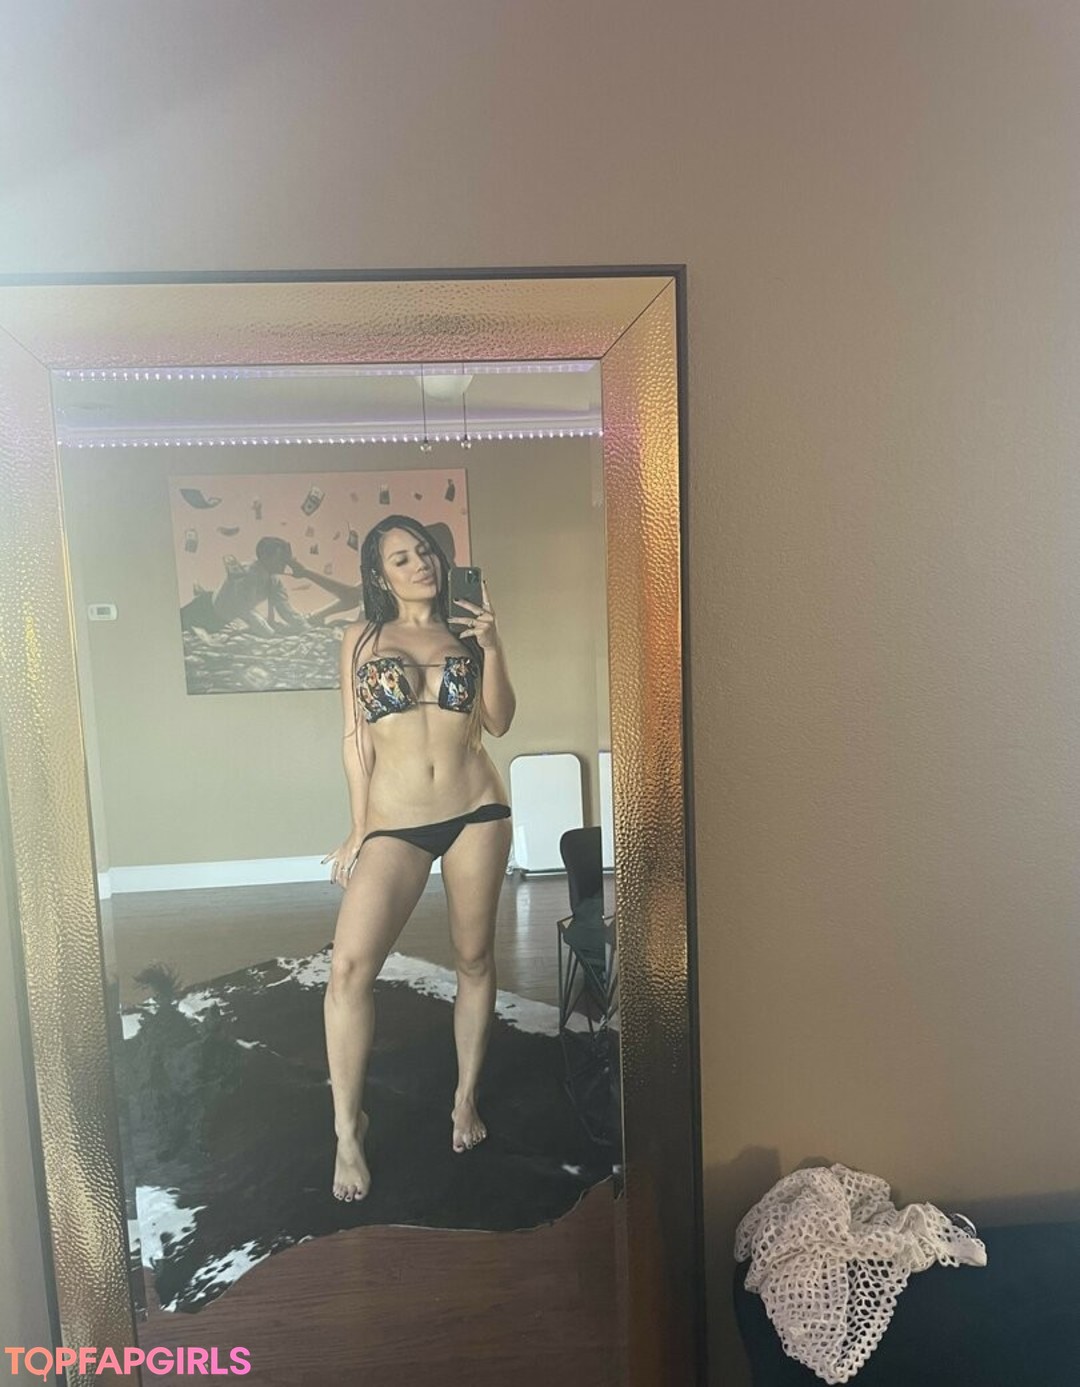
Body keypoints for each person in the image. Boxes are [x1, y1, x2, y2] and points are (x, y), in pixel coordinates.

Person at [321, 514, 516, 1202]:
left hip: (476, 812)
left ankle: (465, 1098)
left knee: (474, 959)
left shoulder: (467, 631)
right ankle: (348, 1129)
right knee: (348, 968)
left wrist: (492, 644)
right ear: (380, 575)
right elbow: (355, 739)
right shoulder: (362, 638)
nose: (418, 563)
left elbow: (500, 721)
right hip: (396, 822)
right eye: (400, 557)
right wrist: (358, 829)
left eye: (424, 551)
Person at [179, 536, 309, 635]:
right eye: (280, 558)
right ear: (265, 556)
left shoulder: (274, 581)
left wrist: (306, 627)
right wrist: (269, 634)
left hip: (221, 618)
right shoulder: (247, 574)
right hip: (205, 611)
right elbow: (244, 609)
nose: (285, 563)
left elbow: (285, 609)